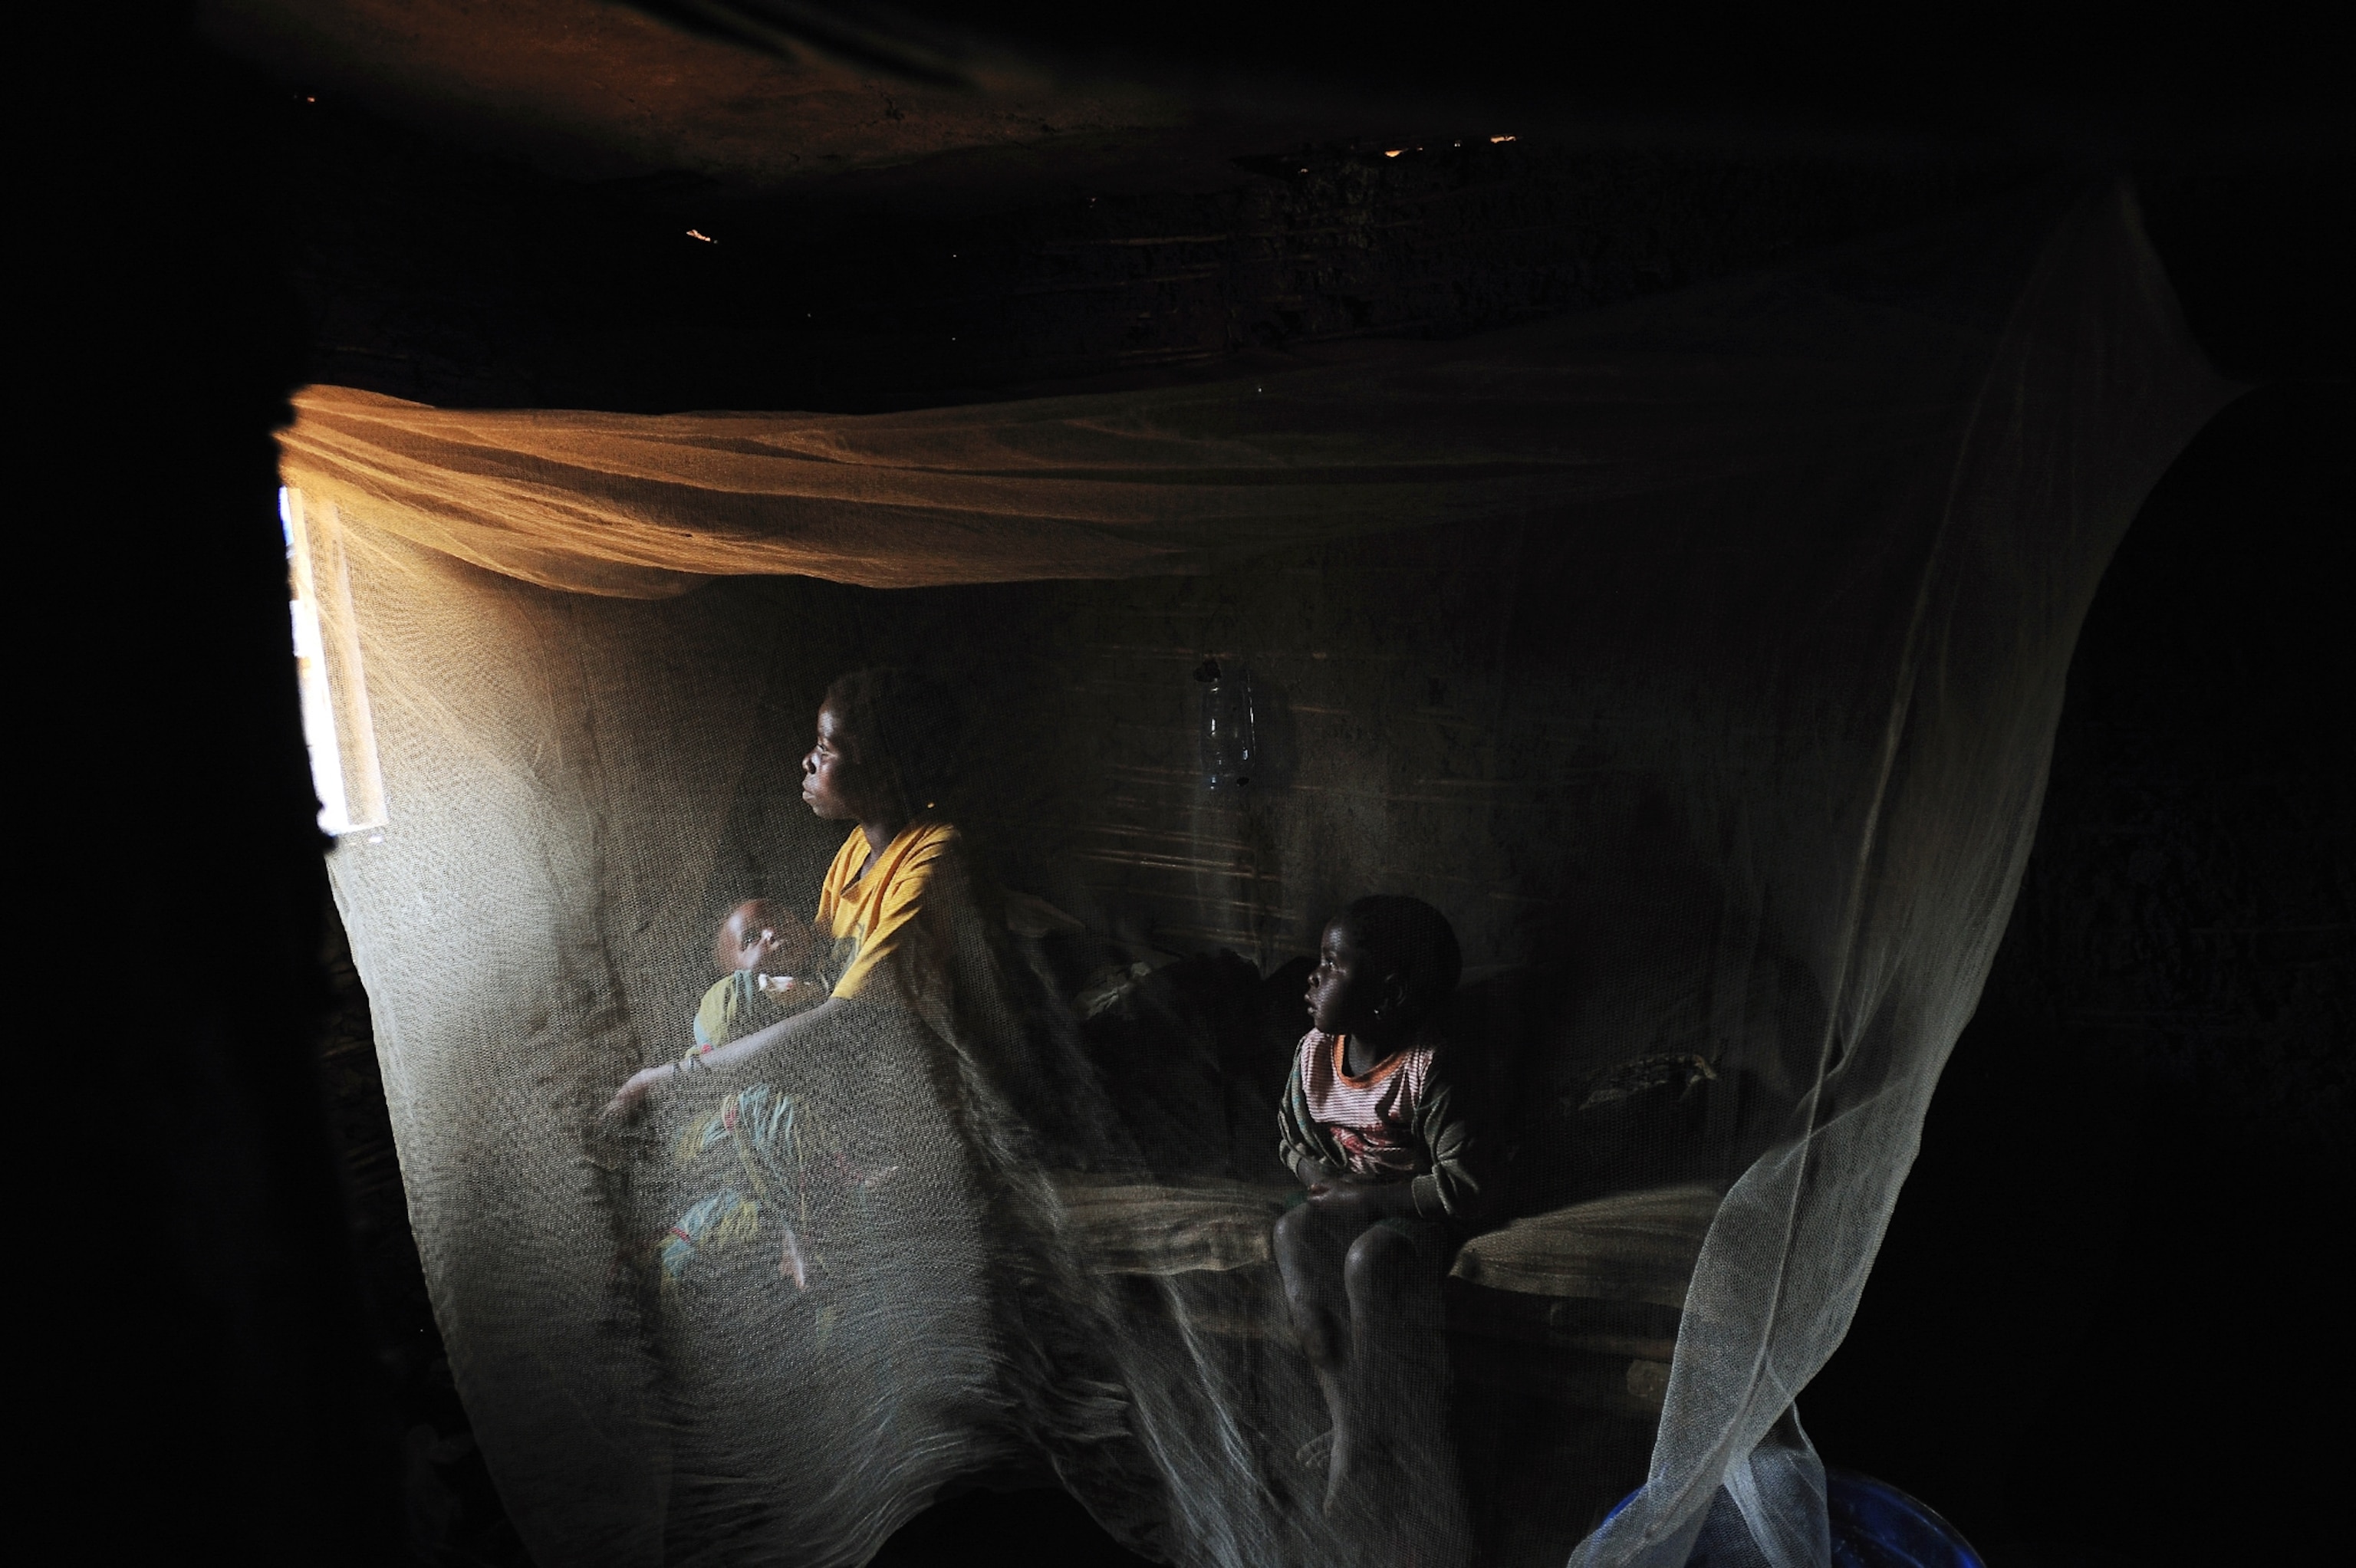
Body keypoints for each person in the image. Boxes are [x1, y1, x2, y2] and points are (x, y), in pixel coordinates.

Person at [604, 668, 973, 1117]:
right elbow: (822, 965)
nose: (808, 761)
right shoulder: (859, 848)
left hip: (916, 1088)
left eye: (825, 747)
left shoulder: (932, 858)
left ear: (884, 772)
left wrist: (664, 1080)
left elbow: (846, 1018)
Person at [1272, 895, 1495, 1524]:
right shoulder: (1316, 1054)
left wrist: (1368, 1198)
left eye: (1331, 963)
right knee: (1293, 1233)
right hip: (1347, 1196)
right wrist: (1314, 1172)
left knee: (1371, 1260)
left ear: (1388, 996)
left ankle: (1387, 1429)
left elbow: (1467, 1187)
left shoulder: (1432, 1068)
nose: (1312, 977)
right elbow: (1291, 1137)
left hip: (1413, 1210)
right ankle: (1351, 1429)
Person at [689, 898, 821, 1053]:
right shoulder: (735, 993)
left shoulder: (831, 960)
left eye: (781, 920)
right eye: (751, 938)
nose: (772, 932)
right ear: (733, 971)